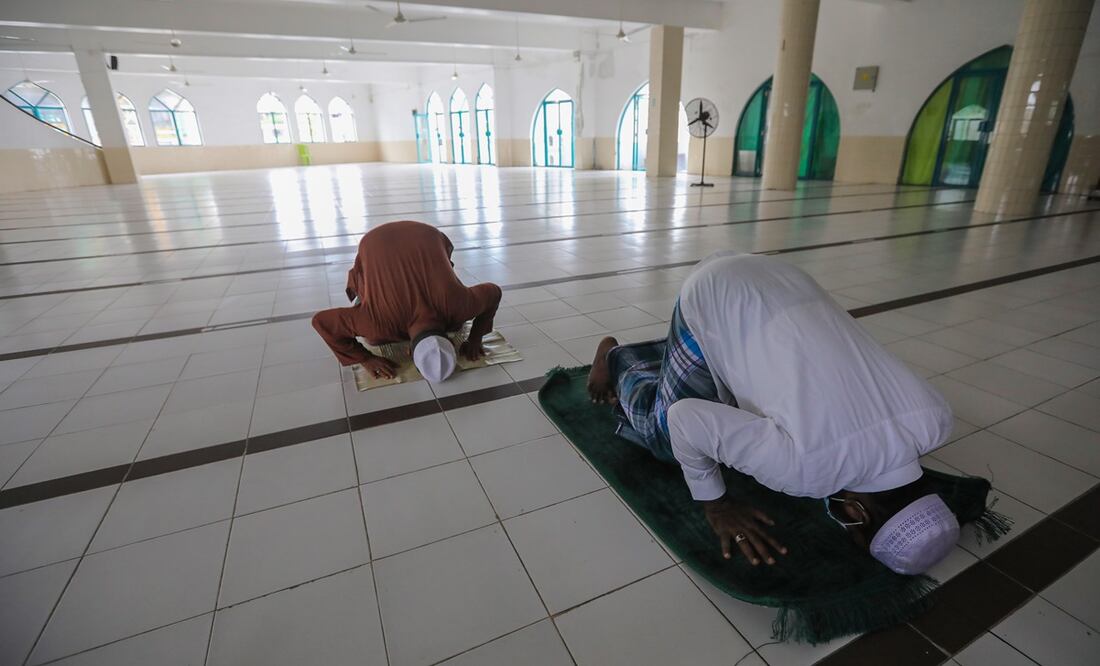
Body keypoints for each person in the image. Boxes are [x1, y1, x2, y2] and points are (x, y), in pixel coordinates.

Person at [587, 252, 959, 575]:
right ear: (857, 511)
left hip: (784, 278)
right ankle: (616, 360)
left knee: (720, 400)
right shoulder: (808, 472)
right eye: (852, 528)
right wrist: (715, 505)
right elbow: (684, 419)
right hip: (715, 292)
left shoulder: (938, 422)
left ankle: (682, 357)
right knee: (664, 437)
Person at [312, 221, 502, 383]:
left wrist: (475, 337)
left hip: (426, 235)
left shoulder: (461, 306)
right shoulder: (377, 324)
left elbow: (493, 292)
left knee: (455, 320)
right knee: (374, 339)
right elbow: (321, 322)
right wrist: (365, 358)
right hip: (377, 242)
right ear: (409, 352)